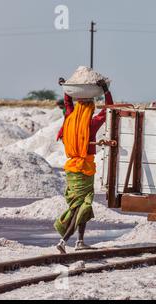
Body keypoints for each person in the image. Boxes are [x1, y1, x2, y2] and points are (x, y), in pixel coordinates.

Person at [54, 77, 113, 254]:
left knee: (82, 206)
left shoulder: (70, 118)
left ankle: (80, 241)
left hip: (71, 168)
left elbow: (67, 103)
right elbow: (108, 110)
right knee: (81, 206)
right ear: (89, 108)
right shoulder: (91, 124)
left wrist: (66, 88)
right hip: (85, 169)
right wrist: (106, 91)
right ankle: (64, 241)